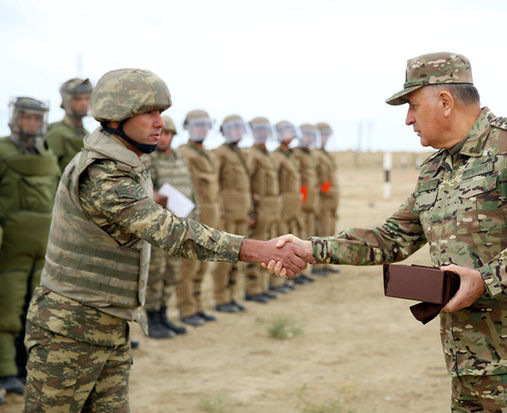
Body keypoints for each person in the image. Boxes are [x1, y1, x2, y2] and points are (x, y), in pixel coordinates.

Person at [270, 52, 507, 412]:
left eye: (413, 106)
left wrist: (486, 280)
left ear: (445, 102)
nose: (408, 119)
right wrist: (311, 248)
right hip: (466, 364)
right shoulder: (435, 169)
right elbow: (393, 237)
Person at [22, 68, 311, 412]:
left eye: (160, 112)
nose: (160, 123)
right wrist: (256, 249)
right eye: (149, 112)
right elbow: (172, 233)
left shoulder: (127, 163)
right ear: (116, 116)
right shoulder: (103, 173)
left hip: (107, 324)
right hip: (70, 330)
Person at [0, 97, 60, 396]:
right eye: (26, 117)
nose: (31, 123)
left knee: (36, 309)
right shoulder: (2, 151)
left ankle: (29, 368)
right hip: (9, 249)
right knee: (6, 309)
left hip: (43, 248)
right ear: (15, 118)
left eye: (37, 118)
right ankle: (5, 371)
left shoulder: (46, 154)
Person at [141, 115, 195, 337]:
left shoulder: (180, 159)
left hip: (179, 226)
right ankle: (152, 319)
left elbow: (190, 190)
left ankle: (163, 315)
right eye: (162, 133)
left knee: (172, 273)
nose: (164, 138)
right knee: (155, 273)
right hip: (158, 228)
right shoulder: (147, 159)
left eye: (169, 134)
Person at [176, 109, 220, 325]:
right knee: (188, 267)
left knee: (203, 265)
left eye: (205, 125)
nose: (201, 129)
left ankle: (197, 306)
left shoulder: (208, 155)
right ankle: (186, 309)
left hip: (211, 217)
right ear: (187, 127)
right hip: (193, 217)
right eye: (197, 125)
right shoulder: (183, 154)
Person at [212, 114, 255, 310]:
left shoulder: (241, 154)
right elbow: (215, 186)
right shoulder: (219, 153)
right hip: (227, 215)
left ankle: (231, 296)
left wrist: (250, 211)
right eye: (232, 128)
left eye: (239, 128)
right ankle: (221, 298)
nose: (236, 132)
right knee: (224, 258)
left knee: (238, 257)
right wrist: (220, 213)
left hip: (241, 213)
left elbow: (246, 187)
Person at [245, 117, 284, 300]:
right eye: (259, 130)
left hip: (271, 209)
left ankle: (264, 285)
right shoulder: (252, 155)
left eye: (265, 130)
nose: (263, 133)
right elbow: (246, 183)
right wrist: (250, 210)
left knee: (271, 248)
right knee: (258, 249)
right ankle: (253, 289)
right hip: (260, 210)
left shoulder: (267, 155)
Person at [272, 121, 311, 287]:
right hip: (283, 205)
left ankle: (294, 275)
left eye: (290, 131)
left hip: (295, 203)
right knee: (282, 241)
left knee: (296, 238)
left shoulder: (292, 155)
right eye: (284, 132)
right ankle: (279, 281)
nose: (288, 135)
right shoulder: (275, 156)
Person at [293, 124, 322, 278]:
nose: (309, 138)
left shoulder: (311, 154)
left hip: (311, 201)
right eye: (306, 135)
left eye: (311, 135)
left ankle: (305, 270)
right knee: (299, 236)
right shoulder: (296, 154)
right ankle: (297, 272)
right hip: (301, 201)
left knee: (309, 236)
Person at [46, 78, 92, 171]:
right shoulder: (57, 133)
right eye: (78, 99)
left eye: (87, 98)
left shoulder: (86, 134)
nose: (84, 103)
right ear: (67, 101)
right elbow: (50, 171)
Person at [313, 122, 340, 275]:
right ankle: (318, 266)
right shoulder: (315, 155)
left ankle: (326, 264)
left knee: (329, 233)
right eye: (323, 135)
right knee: (320, 234)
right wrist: (327, 189)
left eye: (327, 135)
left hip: (330, 202)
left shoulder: (325, 154)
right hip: (322, 201)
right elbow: (315, 181)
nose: (326, 138)